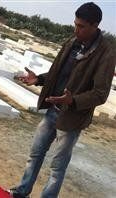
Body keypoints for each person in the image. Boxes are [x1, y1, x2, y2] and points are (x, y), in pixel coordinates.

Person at [9, 2, 116, 198]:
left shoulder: (106, 54)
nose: (76, 29)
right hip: (53, 110)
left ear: (95, 25)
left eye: (81, 26)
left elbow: (101, 93)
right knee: (35, 155)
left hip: (71, 118)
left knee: (57, 167)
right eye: (75, 24)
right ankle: (22, 191)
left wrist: (72, 100)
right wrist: (39, 79)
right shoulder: (72, 41)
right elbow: (58, 71)